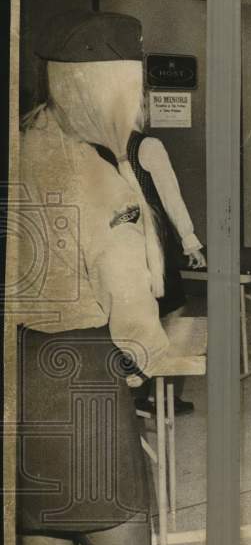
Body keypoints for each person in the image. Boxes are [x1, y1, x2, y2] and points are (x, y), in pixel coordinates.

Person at [14, 10, 173, 545]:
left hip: (19, 387)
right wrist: (146, 360)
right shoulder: (100, 178)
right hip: (82, 389)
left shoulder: (18, 150)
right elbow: (133, 319)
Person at [90, 99, 206, 416]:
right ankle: (161, 394)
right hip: (155, 241)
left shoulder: (94, 147)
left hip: (116, 244)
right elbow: (170, 196)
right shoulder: (148, 145)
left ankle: (138, 393)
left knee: (131, 316)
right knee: (171, 315)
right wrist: (190, 240)